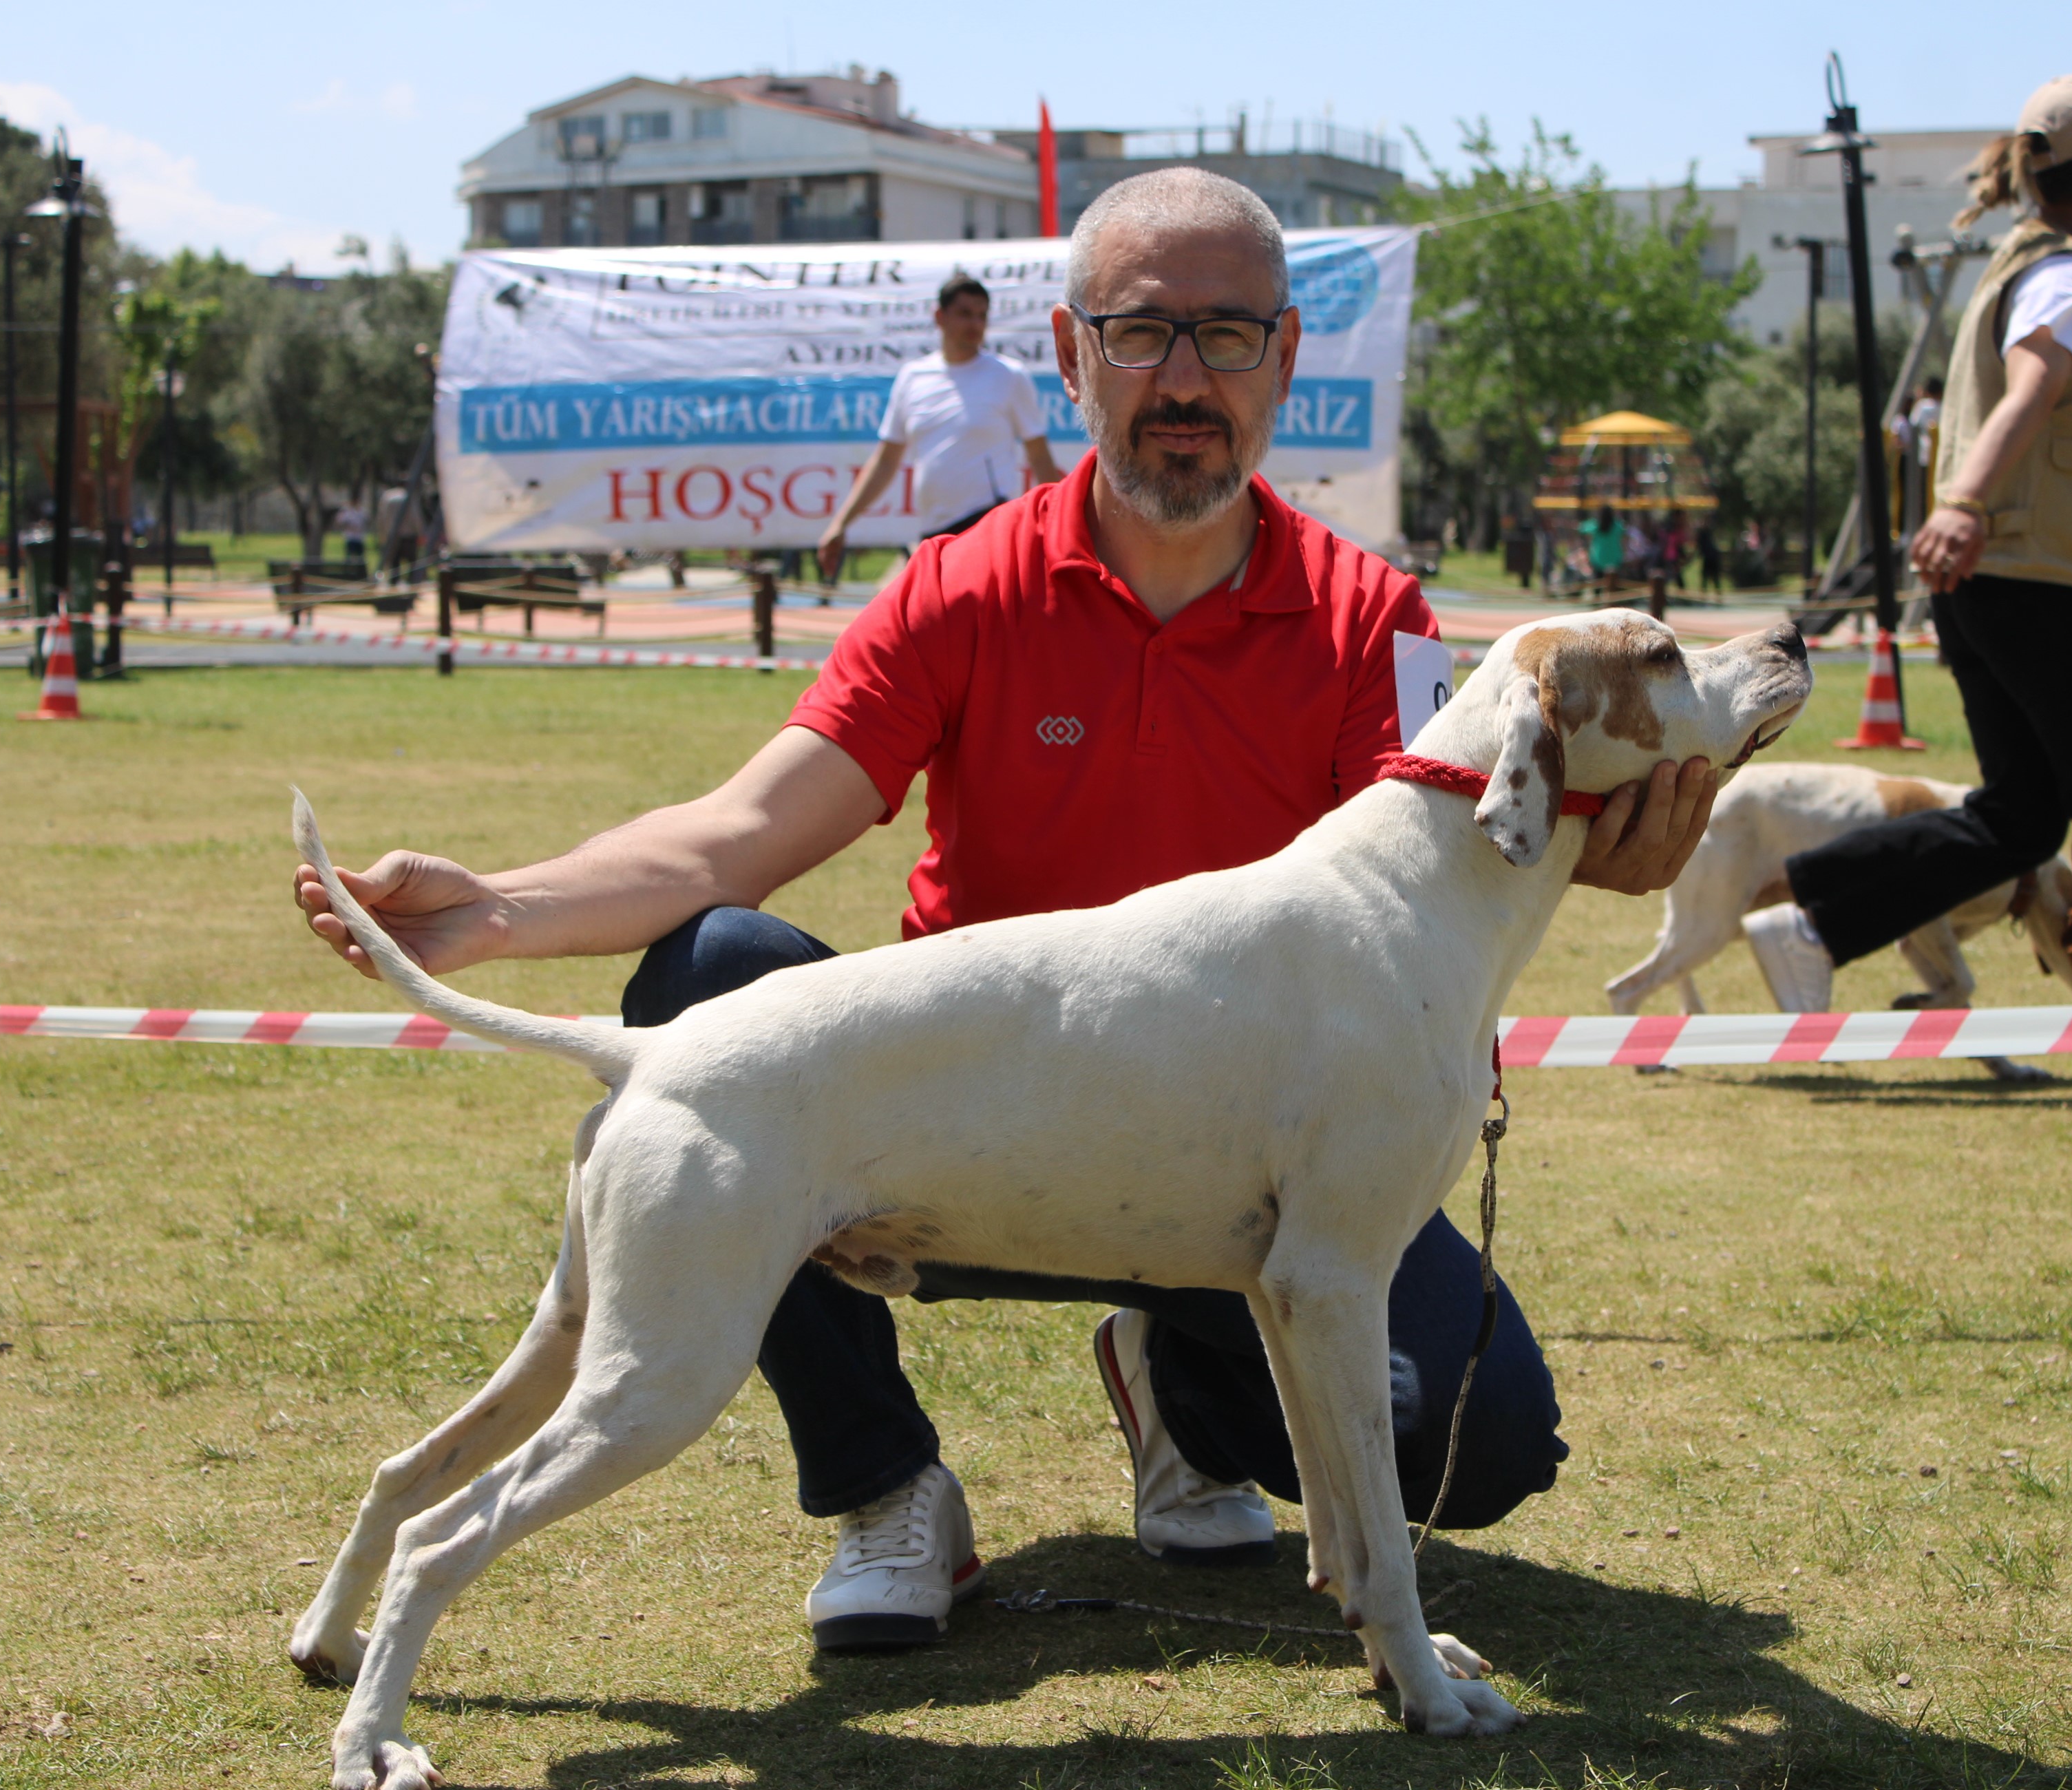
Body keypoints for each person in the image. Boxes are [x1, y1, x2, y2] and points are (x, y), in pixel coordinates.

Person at [297, 167, 1720, 1653]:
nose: (1185, 378)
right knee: (711, 978)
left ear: (1287, 360)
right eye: (1144, 331)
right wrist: (490, 911)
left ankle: (1182, 1390)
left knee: (1479, 1443)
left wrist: (1603, 843)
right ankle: (887, 1486)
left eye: (1228, 336)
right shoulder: (960, 586)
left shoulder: (1386, 621)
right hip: (966, 1134)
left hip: (1239, 1159)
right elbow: (735, 833)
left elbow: (1465, 870)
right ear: (1069, 353)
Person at [1742, 75, 2072, 1109]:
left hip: (1996, 586)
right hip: (2039, 581)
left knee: (2025, 817)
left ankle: (1811, 918)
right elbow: (2035, 386)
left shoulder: (2028, 266)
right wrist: (1968, 500)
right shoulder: (2071, 278)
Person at [816, 275, 1064, 575]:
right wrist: (841, 524)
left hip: (988, 527)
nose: (975, 324)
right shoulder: (913, 377)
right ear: (939, 316)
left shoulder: (1009, 376)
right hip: (932, 534)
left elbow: (1039, 455)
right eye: (965, 313)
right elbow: (885, 461)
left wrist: (1059, 523)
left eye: (981, 315)